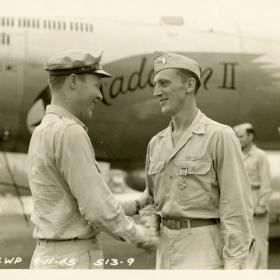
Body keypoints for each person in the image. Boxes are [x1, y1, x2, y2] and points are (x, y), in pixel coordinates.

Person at [27, 50, 156, 269]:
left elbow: (76, 208)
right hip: (73, 260)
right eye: (96, 86)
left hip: (47, 257)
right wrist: (141, 235)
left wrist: (137, 204)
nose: (100, 95)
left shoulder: (43, 130)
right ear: (74, 81)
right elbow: (97, 209)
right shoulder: (70, 132)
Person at [129, 52, 255, 269]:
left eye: (164, 83)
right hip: (165, 250)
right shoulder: (156, 143)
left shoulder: (219, 136)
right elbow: (151, 200)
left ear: (189, 85)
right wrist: (150, 227)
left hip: (203, 248)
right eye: (156, 84)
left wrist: (235, 265)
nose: (156, 91)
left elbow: (236, 207)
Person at [234, 123, 272, 269]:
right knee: (243, 240)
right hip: (240, 201)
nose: (238, 139)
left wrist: (262, 205)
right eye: (236, 136)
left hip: (255, 199)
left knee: (259, 241)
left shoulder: (260, 156)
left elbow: (266, 183)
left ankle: (261, 274)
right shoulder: (237, 154)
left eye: (241, 136)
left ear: (251, 136)